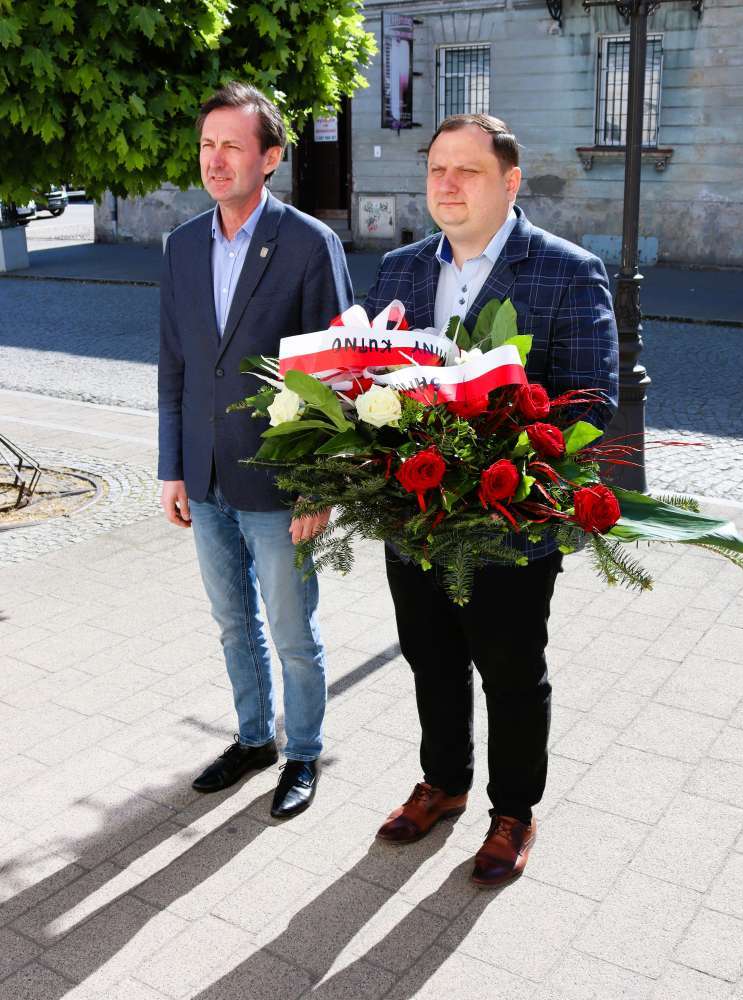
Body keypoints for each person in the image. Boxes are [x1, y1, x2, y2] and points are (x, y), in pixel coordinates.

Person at [363, 114, 618, 886]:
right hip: (412, 516)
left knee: (510, 673)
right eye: (436, 169)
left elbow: (592, 399)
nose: (446, 184)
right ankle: (442, 783)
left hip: (507, 522)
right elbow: (369, 381)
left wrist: (494, 454)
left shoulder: (566, 270)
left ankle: (513, 811)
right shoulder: (400, 269)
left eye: (466, 170)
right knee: (430, 660)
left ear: (509, 182)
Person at [158, 82, 353, 818]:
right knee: (233, 623)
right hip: (204, 475)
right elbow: (175, 365)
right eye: (207, 145)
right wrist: (172, 467)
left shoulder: (308, 244)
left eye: (232, 146)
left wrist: (321, 483)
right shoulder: (181, 245)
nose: (215, 160)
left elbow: (338, 374)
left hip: (279, 483)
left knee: (292, 631)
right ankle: (252, 739)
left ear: (269, 158)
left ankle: (302, 752)